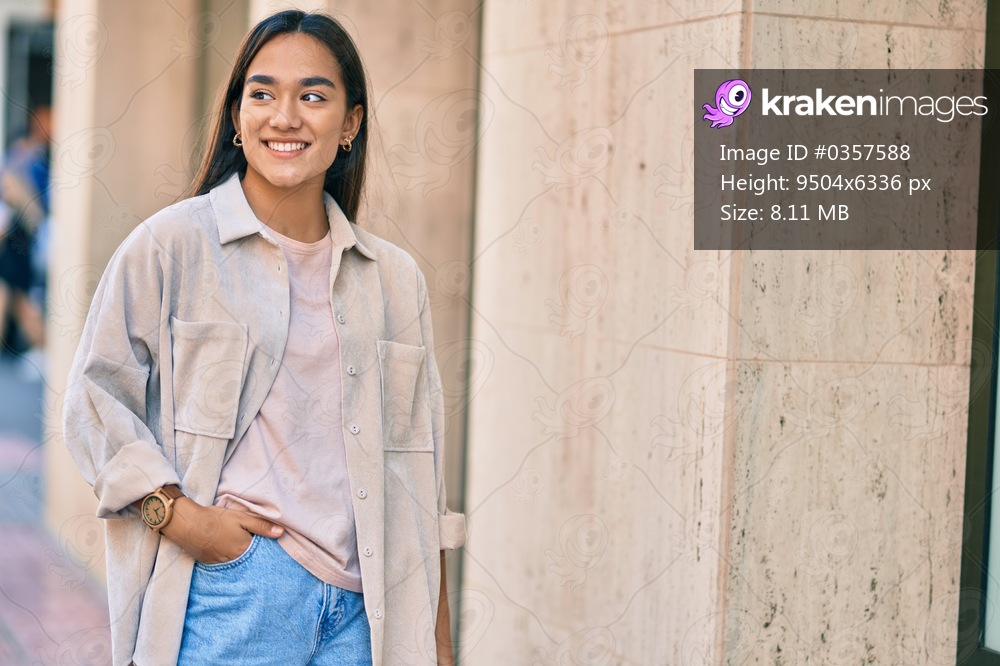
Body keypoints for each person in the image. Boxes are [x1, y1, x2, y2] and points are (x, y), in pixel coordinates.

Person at [62, 10, 466, 666]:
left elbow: (420, 474)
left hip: (368, 614)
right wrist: (185, 519)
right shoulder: (172, 248)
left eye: (312, 95)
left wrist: (440, 644)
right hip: (235, 595)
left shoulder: (394, 280)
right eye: (262, 93)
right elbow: (93, 399)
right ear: (236, 115)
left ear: (350, 124)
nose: (285, 116)